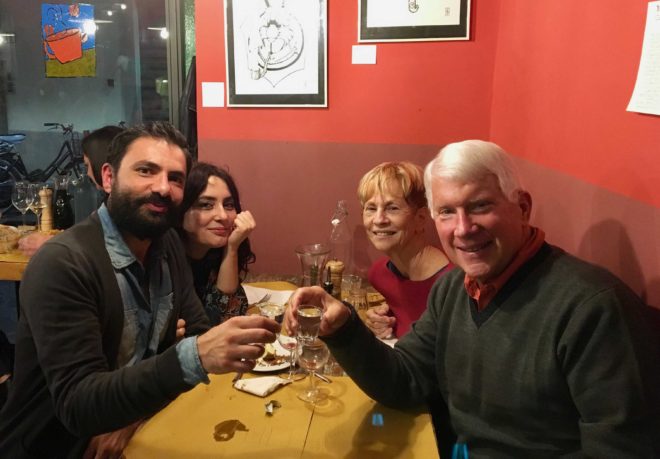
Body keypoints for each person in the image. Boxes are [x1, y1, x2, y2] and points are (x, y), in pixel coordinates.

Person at [286, 140, 660, 458]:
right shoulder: (453, 290)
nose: (463, 229)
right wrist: (344, 329)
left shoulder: (593, 306)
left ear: (523, 207)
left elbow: (620, 449)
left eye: (480, 206)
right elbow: (405, 382)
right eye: (447, 212)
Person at [0, 122, 279, 458]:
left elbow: (197, 333)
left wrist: (133, 418)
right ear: (107, 178)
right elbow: (78, 405)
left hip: (138, 430)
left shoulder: (167, 246)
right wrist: (195, 356)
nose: (163, 188)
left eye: (175, 178)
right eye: (146, 170)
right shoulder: (64, 263)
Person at [358, 161, 452, 338]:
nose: (379, 219)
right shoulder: (379, 274)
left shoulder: (451, 285)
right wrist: (384, 321)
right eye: (371, 208)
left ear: (421, 218)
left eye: (392, 208)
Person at [17, 125, 124, 256]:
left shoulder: (125, 204)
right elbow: (95, 235)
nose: (88, 173)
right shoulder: (112, 202)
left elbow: (110, 247)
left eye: (87, 165)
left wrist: (52, 244)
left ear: (103, 168)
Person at [179, 162, 256, 325]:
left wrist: (232, 247)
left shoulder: (214, 253)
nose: (223, 216)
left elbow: (228, 317)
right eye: (206, 205)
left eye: (228, 205)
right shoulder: (166, 260)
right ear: (181, 210)